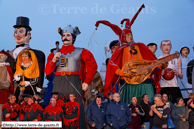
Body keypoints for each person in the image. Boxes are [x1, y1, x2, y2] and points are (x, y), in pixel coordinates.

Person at [95, 5, 162, 104]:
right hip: (127, 82)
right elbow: (113, 65)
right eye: (126, 35)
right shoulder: (119, 51)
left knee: (148, 105)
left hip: (144, 81)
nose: (129, 37)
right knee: (128, 105)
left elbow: (152, 60)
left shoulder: (141, 46)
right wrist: (120, 72)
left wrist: (159, 64)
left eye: (130, 34)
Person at [45, 25, 97, 129]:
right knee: (58, 106)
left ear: (73, 37)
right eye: (63, 35)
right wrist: (54, 60)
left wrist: (87, 81)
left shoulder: (82, 51)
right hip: (59, 83)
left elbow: (93, 66)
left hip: (74, 81)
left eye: (68, 35)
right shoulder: (54, 53)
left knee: (75, 107)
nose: (65, 37)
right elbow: (47, 71)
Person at [6, 16, 45, 95]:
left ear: (28, 34)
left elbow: (39, 74)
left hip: (27, 89)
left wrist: (38, 88)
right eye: (16, 32)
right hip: (9, 91)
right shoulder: (7, 55)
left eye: (21, 32)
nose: (17, 35)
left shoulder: (37, 54)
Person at [0, 50, 14, 123]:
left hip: (3, 94)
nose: (0, 57)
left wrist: (1, 83)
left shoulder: (7, 68)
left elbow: (9, 84)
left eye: (2, 56)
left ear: (5, 57)